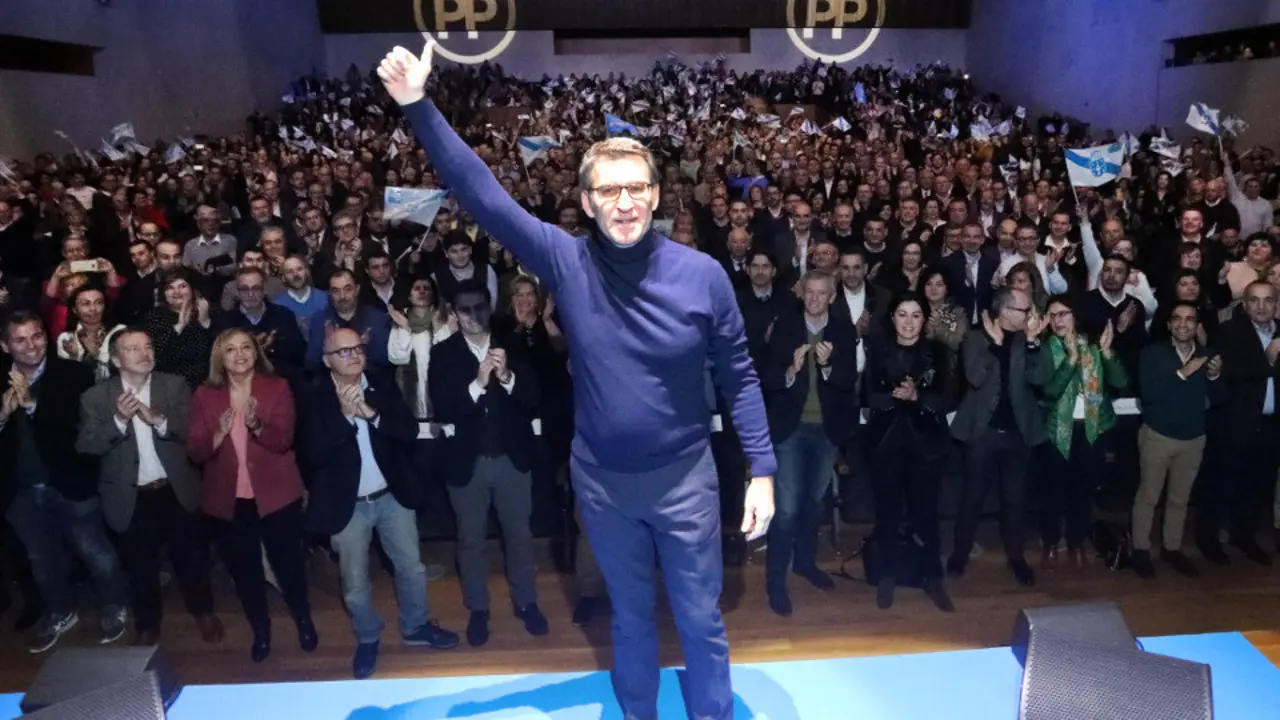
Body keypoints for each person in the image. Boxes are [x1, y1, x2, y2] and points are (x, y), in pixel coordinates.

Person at [383, 41, 775, 720]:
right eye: (608, 191)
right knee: (629, 619)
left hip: (686, 480)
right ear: (588, 203)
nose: (624, 203)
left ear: (656, 196)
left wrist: (762, 469)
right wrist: (418, 104)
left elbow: (740, 376)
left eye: (636, 189)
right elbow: (483, 195)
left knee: (700, 621)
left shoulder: (704, 276)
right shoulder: (565, 262)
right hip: (604, 486)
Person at [300, 327, 459, 679]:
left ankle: (415, 626)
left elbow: (407, 432)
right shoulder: (314, 396)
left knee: (412, 569)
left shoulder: (381, 384)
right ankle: (369, 636)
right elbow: (313, 454)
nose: (355, 355)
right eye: (344, 351)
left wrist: (371, 415)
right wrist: (346, 418)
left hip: (392, 496)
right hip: (347, 506)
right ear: (327, 361)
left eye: (358, 348)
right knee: (355, 584)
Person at [76, 328, 224, 647]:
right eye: (133, 349)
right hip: (131, 496)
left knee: (192, 557)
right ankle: (147, 624)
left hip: (175, 489)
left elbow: (196, 432)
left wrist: (162, 422)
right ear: (116, 360)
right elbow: (86, 446)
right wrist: (118, 420)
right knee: (140, 566)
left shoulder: (174, 385)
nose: (145, 353)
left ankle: (204, 611)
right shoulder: (96, 397)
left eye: (148, 346)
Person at [0, 311, 129, 652]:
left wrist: (31, 406)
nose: (31, 345)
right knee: (42, 562)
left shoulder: (74, 373)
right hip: (20, 493)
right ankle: (61, 612)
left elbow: (79, 428)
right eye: (20, 339)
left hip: (70, 483)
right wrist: (2, 416)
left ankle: (114, 605)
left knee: (97, 554)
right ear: (5, 345)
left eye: (37, 335)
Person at [429, 279, 546, 646]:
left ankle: (526, 602)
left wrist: (507, 377)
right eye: (465, 309)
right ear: (454, 313)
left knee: (520, 536)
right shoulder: (443, 353)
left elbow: (534, 396)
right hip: (468, 464)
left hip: (512, 459)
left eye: (479, 306)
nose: (474, 315)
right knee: (471, 541)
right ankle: (478, 608)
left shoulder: (512, 343)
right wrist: (478, 383)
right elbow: (444, 408)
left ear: (489, 305)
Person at [189, 329, 317, 662]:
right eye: (230, 349)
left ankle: (304, 620)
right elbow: (196, 451)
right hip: (229, 500)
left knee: (288, 564)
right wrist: (218, 434)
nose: (240, 354)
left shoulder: (277, 387)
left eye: (246, 347)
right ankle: (261, 630)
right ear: (220, 358)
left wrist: (256, 425)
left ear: (256, 352)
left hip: (276, 495)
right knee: (245, 571)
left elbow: (283, 440)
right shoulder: (205, 394)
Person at [760, 270, 858, 615]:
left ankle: (804, 562)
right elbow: (768, 378)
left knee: (814, 504)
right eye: (810, 292)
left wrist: (828, 366)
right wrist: (790, 371)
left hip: (826, 429)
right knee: (786, 509)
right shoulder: (785, 327)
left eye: (821, 293)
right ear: (803, 294)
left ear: (832, 296)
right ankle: (775, 581)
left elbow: (848, 382)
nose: (815, 299)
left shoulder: (843, 330)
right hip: (791, 428)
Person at [949, 288, 1049, 587]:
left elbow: (1041, 378)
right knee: (972, 496)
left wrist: (1033, 343)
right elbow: (976, 377)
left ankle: (1016, 557)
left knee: (1015, 499)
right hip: (983, 433)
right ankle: (960, 553)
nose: (1030, 315)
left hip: (1018, 433)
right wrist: (995, 346)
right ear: (1004, 311)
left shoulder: (1028, 340)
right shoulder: (975, 339)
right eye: (1024, 310)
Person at [862, 293, 954, 611]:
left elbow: (948, 399)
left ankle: (933, 576)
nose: (909, 322)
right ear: (892, 318)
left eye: (916, 315)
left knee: (926, 515)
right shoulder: (877, 350)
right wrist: (895, 396)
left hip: (926, 446)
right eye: (902, 314)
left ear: (924, 319)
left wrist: (918, 397)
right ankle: (886, 575)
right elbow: (868, 396)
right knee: (887, 515)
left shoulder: (939, 352)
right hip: (885, 445)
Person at [1133, 303, 1223, 578]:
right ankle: (1140, 550)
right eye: (1178, 319)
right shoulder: (1152, 354)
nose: (1183, 324)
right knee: (1149, 495)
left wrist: (1214, 376)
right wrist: (1183, 373)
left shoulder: (1208, 356)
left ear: (1198, 326)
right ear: (1169, 325)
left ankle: (1172, 549)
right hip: (1157, 435)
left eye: (1190, 319)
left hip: (1193, 438)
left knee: (1180, 498)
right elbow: (1149, 394)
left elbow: (1221, 399)